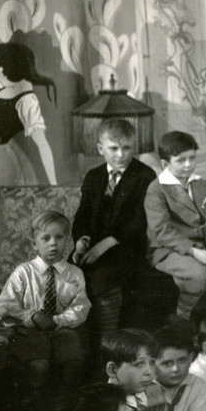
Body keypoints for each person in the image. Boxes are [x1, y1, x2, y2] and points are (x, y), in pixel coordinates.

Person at [72, 116, 160, 335]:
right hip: (93, 246)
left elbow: (141, 220)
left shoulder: (144, 176)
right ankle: (79, 338)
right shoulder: (93, 177)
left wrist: (107, 243)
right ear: (100, 148)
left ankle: (106, 336)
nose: (121, 155)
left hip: (127, 247)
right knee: (69, 272)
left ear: (134, 147)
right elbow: (82, 215)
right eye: (113, 148)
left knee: (102, 276)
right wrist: (81, 242)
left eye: (127, 148)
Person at [144, 130, 206, 320]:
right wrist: (194, 252)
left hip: (202, 245)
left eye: (192, 158)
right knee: (200, 277)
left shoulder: (200, 184)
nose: (188, 165)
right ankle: (184, 320)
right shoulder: (156, 189)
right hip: (167, 250)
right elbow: (162, 231)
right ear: (166, 164)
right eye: (181, 160)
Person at [0, 209, 89, 398]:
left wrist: (57, 321)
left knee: (74, 366)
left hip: (62, 331)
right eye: (46, 238)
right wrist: (33, 317)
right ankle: (36, 408)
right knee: (39, 367)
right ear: (34, 243)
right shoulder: (23, 272)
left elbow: (81, 307)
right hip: (29, 333)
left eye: (59, 237)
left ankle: (64, 407)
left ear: (68, 241)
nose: (53, 243)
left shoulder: (74, 274)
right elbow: (3, 306)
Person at [0, 41, 57, 194]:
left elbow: (42, 143)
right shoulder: (6, 82)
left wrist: (53, 184)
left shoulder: (26, 100)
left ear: (14, 72)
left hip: (15, 159)